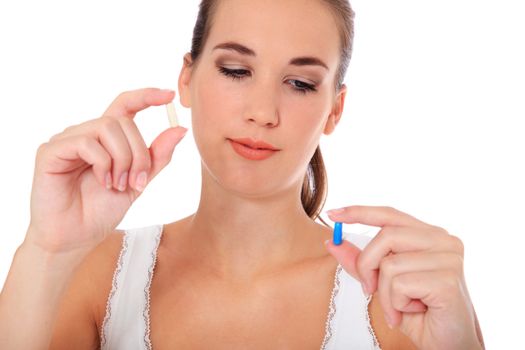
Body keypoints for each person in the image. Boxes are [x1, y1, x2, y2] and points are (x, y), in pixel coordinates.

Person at [0, 0, 485, 349]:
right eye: (235, 69)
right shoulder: (96, 272)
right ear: (186, 79)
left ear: (334, 110)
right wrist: (47, 250)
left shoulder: (391, 291)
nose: (262, 112)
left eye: (299, 83)